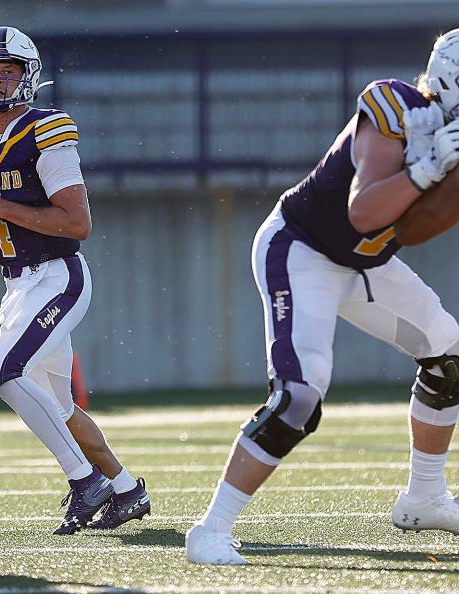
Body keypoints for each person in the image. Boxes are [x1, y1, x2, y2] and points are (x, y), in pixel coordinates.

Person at [185, 29, 459, 565]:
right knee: (300, 398)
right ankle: (210, 530)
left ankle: (425, 498)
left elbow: (419, 227)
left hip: (364, 262)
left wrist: (445, 177)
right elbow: (364, 212)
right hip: (301, 249)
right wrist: (426, 167)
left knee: (449, 357)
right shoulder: (394, 104)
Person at [0, 26, 151, 534]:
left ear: (28, 78)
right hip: (16, 284)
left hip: (58, 276)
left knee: (2, 373)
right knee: (61, 407)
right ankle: (124, 488)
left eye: (9, 72)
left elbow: (78, 224)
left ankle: (82, 480)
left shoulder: (48, 129)